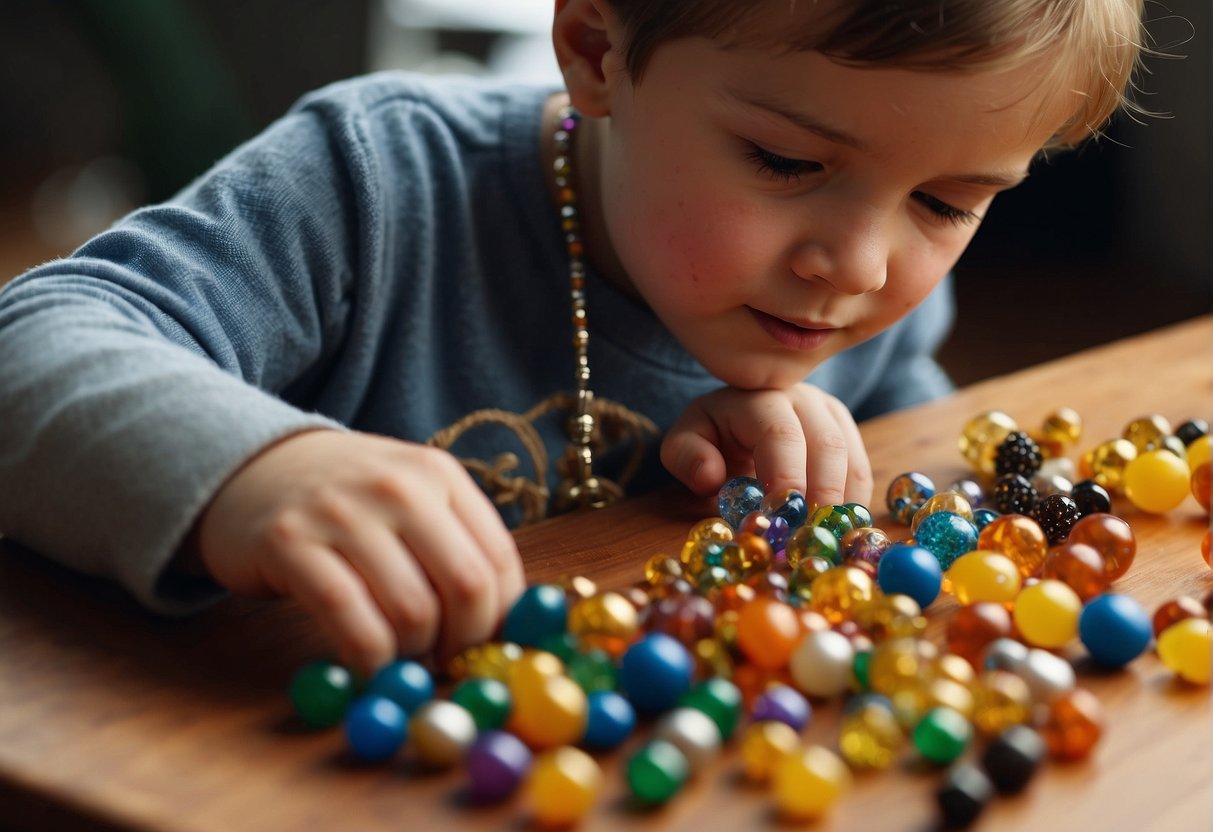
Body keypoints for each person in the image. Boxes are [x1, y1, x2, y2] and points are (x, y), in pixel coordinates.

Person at [0, 0, 1145, 674]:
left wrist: (827, 469)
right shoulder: (375, 183)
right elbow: (33, 341)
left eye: (947, 204)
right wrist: (253, 470)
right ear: (596, 49)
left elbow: (889, 551)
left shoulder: (879, 318)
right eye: (788, 163)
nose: (858, 266)